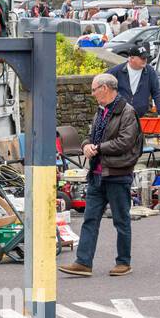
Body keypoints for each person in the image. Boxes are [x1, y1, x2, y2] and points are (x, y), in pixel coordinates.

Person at [58, 73, 142, 278]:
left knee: (121, 220)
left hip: (117, 173)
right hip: (96, 174)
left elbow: (126, 142)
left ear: (105, 88)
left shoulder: (127, 112)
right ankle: (83, 262)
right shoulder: (101, 112)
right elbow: (90, 135)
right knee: (90, 219)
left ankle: (124, 262)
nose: (92, 93)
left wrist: (98, 147)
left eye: (95, 89)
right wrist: (87, 145)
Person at [106, 41, 160, 117]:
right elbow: (102, 86)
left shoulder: (150, 71)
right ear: (131, 58)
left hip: (141, 115)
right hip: (120, 115)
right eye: (142, 58)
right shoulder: (116, 71)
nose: (145, 60)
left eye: (146, 58)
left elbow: (157, 93)